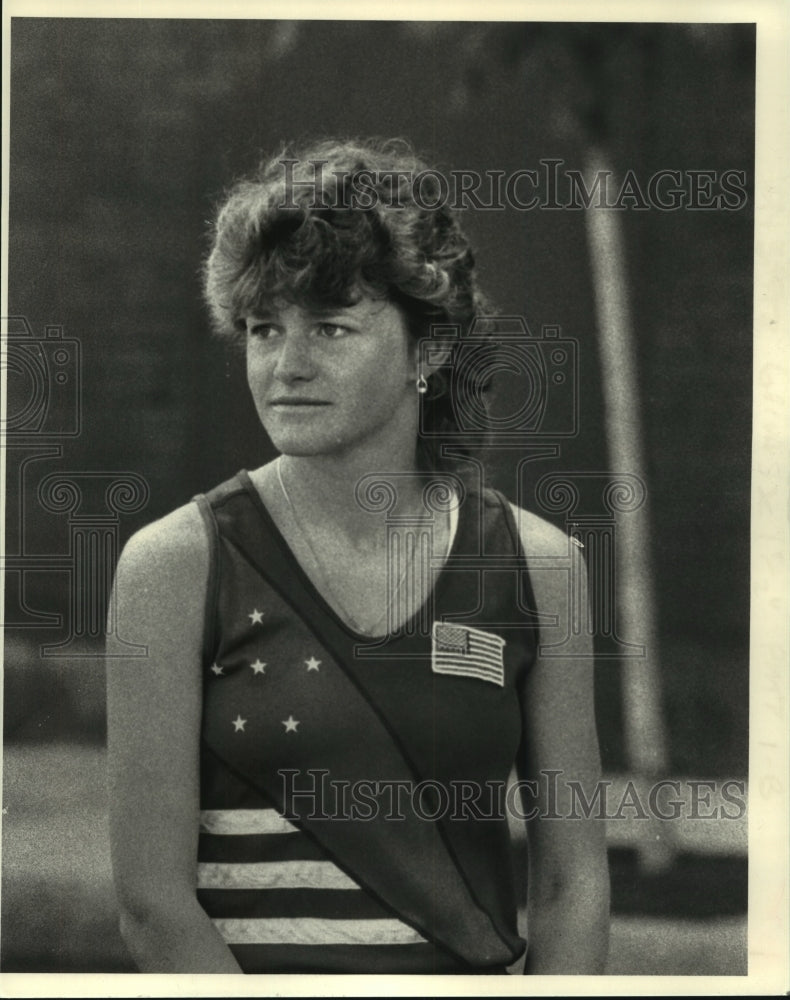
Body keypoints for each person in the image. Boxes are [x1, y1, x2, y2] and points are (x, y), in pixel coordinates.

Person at [105, 138, 610, 975]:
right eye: (265, 328)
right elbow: (152, 906)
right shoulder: (175, 566)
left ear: (430, 349)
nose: (286, 365)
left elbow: (571, 880)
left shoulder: (539, 566)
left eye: (332, 326)